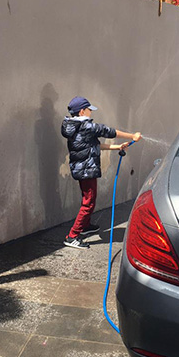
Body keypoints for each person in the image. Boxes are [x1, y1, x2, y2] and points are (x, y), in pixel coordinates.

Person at [61, 96, 142, 249]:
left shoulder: (74, 127)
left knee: (88, 199)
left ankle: (84, 226)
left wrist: (117, 147)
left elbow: (94, 146)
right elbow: (108, 131)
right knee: (89, 202)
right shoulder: (86, 126)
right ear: (82, 111)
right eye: (89, 110)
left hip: (82, 168)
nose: (91, 112)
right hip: (86, 169)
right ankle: (72, 235)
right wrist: (132, 136)